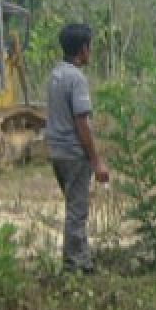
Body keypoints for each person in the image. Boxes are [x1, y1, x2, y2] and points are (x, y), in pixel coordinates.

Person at [46, 23, 109, 274]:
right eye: (89, 47)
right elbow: (81, 122)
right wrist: (96, 161)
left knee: (75, 206)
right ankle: (74, 266)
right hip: (74, 154)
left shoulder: (55, 75)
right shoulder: (76, 79)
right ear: (83, 49)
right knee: (77, 211)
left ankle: (82, 259)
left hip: (56, 151)